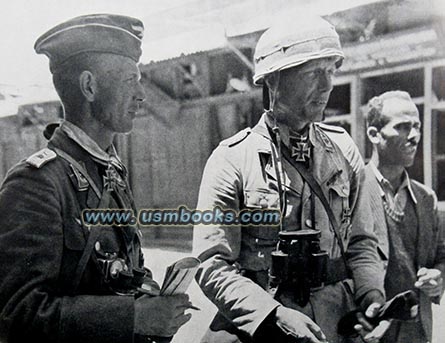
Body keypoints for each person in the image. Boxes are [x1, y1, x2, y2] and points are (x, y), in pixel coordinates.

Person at [193, 14, 387, 343]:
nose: (327, 85)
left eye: (330, 71)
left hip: (333, 325)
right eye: (313, 73)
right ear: (274, 81)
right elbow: (211, 263)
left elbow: (362, 242)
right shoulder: (231, 159)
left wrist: (371, 296)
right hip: (260, 326)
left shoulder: (343, 150)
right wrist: (273, 315)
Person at [0, 14, 192, 343]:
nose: (142, 94)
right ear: (90, 86)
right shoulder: (36, 184)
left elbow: (121, 270)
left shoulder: (109, 172)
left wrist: (147, 295)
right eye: (130, 80)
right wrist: (133, 317)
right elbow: (16, 313)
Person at [364, 90, 445, 343]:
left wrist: (438, 277)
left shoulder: (426, 198)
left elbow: (441, 257)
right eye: (402, 127)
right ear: (374, 135)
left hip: (418, 333)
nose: (414, 136)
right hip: (371, 333)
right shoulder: (352, 192)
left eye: (417, 126)